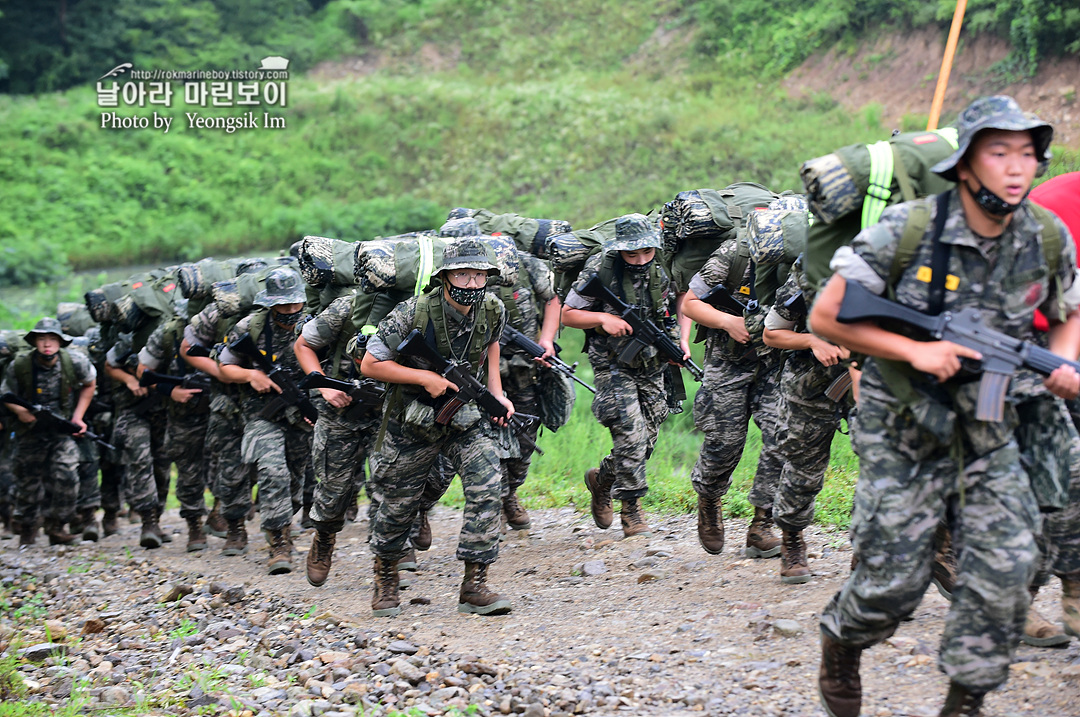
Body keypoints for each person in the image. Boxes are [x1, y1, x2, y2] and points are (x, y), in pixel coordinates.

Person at [809, 96, 1080, 716]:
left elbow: (1068, 309)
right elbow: (829, 315)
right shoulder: (908, 228)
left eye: (1028, 154)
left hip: (989, 425)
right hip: (905, 424)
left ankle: (965, 701)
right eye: (999, 152)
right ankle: (843, 642)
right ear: (965, 165)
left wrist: (1063, 362)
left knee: (1008, 574)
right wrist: (915, 350)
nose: (1017, 167)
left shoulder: (1044, 233)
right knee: (892, 583)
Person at [361, 237, 513, 617]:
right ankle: (386, 577)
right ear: (445, 277)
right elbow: (370, 364)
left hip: (464, 418)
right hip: (412, 420)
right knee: (398, 504)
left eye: (479, 276)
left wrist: (497, 391)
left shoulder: (492, 308)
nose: (473, 284)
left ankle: (474, 584)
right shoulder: (412, 312)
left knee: (488, 485)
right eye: (464, 275)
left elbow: (491, 344)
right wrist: (422, 378)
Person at [563, 213, 686, 539]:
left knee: (645, 442)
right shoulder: (600, 270)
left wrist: (679, 343)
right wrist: (603, 318)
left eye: (646, 252)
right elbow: (568, 313)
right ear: (619, 250)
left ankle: (602, 480)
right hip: (612, 363)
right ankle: (631, 509)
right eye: (633, 254)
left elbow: (677, 304)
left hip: (652, 363)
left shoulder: (661, 266)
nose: (641, 260)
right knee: (630, 436)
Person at [680, 237, 784, 558]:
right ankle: (710, 498)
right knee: (725, 441)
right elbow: (690, 303)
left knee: (782, 436)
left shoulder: (799, 258)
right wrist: (727, 321)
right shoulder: (734, 254)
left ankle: (762, 523)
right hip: (729, 360)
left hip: (776, 362)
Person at [218, 267, 315, 575]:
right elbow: (224, 368)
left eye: (294, 304)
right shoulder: (251, 327)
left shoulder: (314, 325)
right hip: (262, 414)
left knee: (296, 480)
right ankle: (279, 543)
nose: (288, 311)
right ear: (270, 304)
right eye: (282, 305)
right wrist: (251, 374)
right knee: (273, 472)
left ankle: (283, 520)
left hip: (301, 414)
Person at [762, 260, 851, 583]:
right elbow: (772, 334)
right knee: (803, 468)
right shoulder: (807, 275)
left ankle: (869, 552)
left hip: (866, 378)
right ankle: (792, 538)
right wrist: (812, 341)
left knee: (881, 464)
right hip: (810, 385)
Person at [1, 318, 96, 546]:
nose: (46, 344)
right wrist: (21, 412)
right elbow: (5, 393)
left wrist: (77, 417)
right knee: (28, 480)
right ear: (34, 341)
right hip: (30, 430)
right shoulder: (21, 365)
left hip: (60, 429)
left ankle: (57, 526)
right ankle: (28, 530)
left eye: (52, 339)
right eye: (42, 339)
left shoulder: (74, 361)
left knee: (67, 476)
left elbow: (90, 383)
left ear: (60, 342)